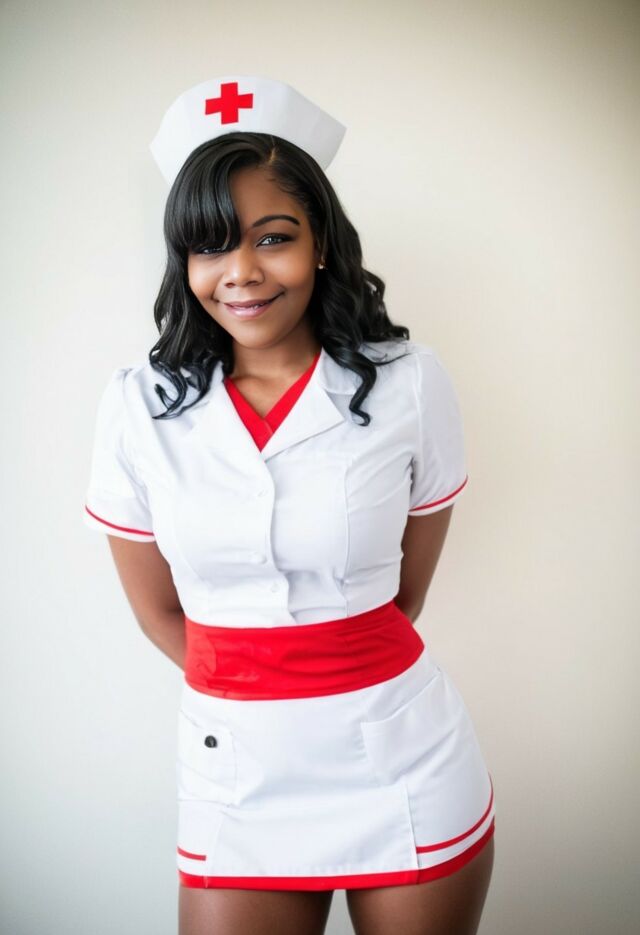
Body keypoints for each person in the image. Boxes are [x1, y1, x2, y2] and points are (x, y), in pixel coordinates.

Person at [83, 76, 495, 935]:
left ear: (322, 244)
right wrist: (252, 683)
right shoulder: (137, 406)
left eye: (273, 237)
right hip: (237, 774)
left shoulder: (410, 385)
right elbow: (158, 610)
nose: (241, 272)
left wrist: (325, 668)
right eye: (209, 247)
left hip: (402, 762)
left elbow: (406, 591)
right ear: (183, 262)